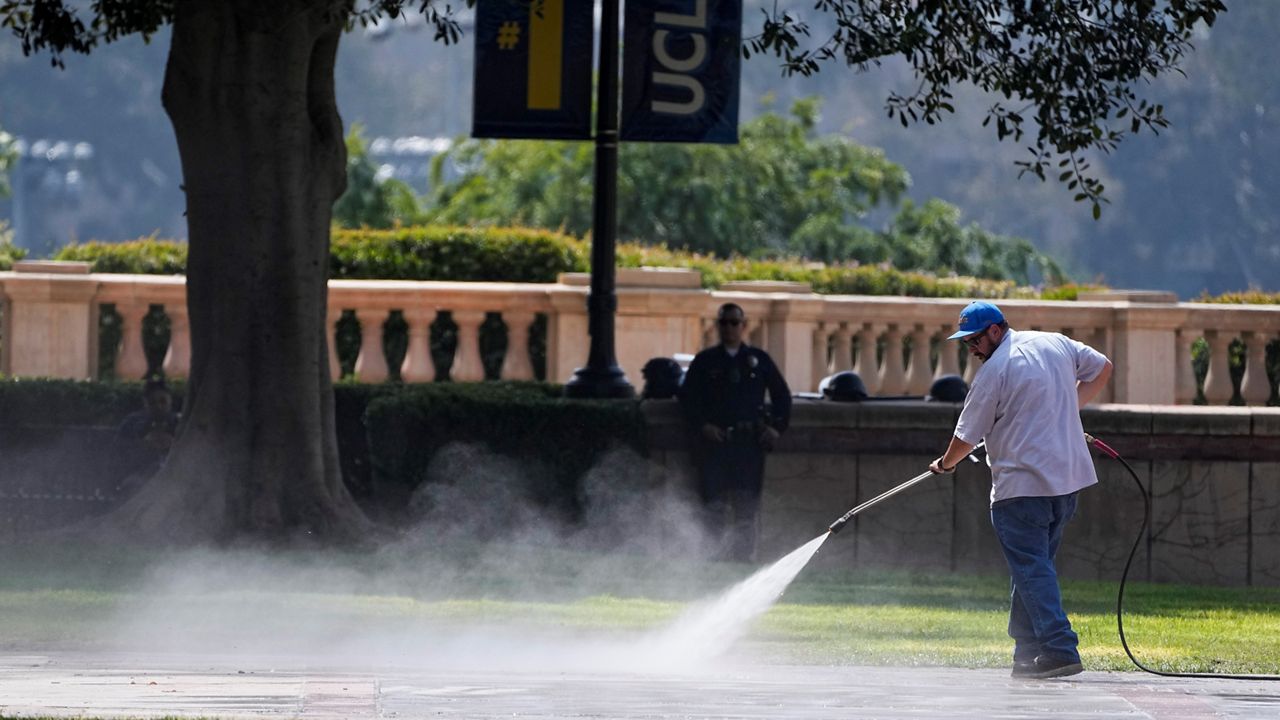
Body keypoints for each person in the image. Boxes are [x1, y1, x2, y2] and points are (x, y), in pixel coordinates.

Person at [928, 300, 1113, 680]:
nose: (973, 349)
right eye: (967, 343)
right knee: (1031, 568)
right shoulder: (1054, 343)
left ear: (996, 330)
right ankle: (1027, 653)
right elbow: (1103, 368)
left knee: (1031, 569)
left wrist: (945, 465)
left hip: (1021, 488)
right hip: (1066, 484)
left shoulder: (993, 373)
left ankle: (1060, 649)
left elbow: (965, 437)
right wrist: (1067, 408)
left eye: (975, 340)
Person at [679, 303, 791, 562]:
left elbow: (782, 396)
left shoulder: (758, 360)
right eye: (724, 322)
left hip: (748, 445)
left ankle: (742, 559)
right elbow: (688, 400)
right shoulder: (705, 361)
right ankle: (713, 557)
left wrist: (776, 428)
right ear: (718, 326)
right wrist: (702, 426)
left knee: (746, 507)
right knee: (713, 505)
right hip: (715, 444)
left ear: (744, 326)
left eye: (734, 322)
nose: (729, 327)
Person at [116, 378, 180, 486]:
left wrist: (174, 445)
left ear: (170, 401)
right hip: (138, 478)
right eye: (152, 403)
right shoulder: (131, 423)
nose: (158, 406)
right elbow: (118, 457)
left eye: (163, 401)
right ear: (145, 403)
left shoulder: (180, 424)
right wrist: (143, 446)